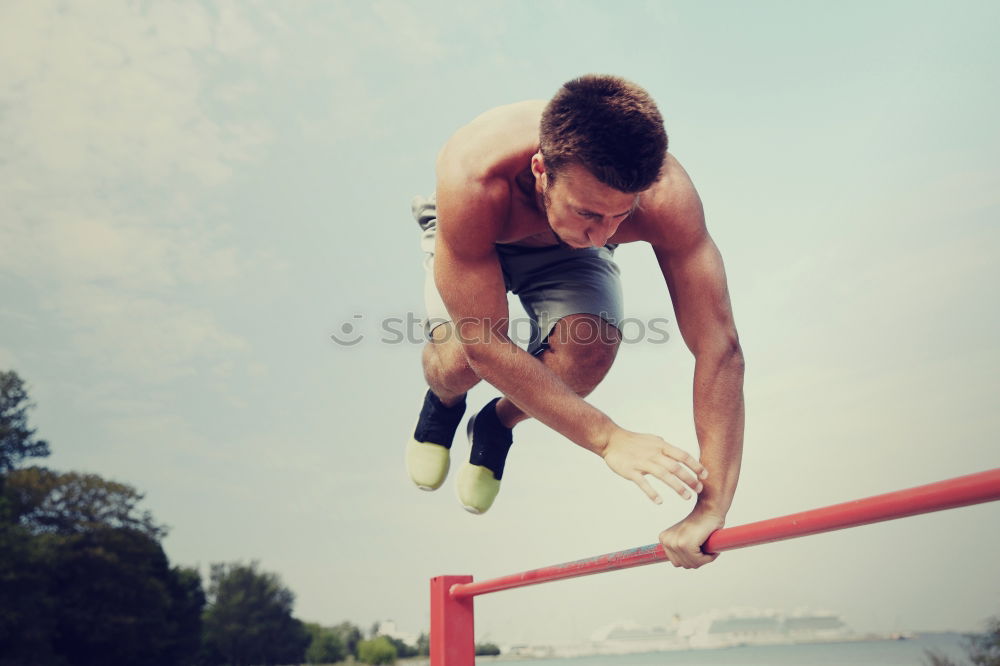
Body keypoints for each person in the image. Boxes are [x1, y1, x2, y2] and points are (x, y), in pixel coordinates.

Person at [406, 74, 744, 569]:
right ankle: (444, 404)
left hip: (556, 252)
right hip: (481, 233)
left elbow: (720, 349)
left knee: (589, 349)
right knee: (463, 361)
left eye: (620, 217)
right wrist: (608, 438)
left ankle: (495, 423)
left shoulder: (665, 198)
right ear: (540, 170)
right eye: (589, 212)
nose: (603, 233)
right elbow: (486, 343)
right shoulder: (474, 176)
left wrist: (710, 507)